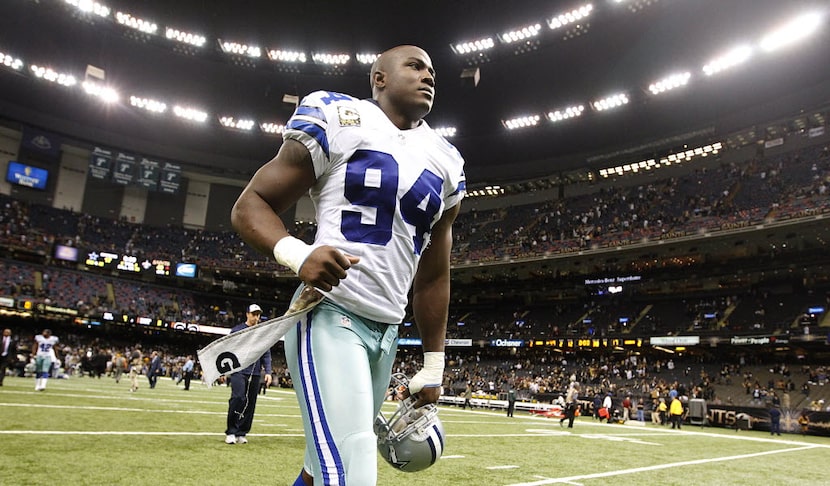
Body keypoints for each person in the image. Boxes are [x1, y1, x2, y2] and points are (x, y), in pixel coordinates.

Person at [231, 44, 465, 485]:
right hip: (330, 314)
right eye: (414, 66)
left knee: (320, 470)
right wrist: (298, 254)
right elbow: (250, 206)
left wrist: (433, 364)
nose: (427, 75)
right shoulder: (338, 117)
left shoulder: (446, 160)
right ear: (379, 78)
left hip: (386, 333)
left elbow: (434, 274)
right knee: (352, 472)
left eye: (432, 70)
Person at [225, 304, 273, 445]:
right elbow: (227, 349)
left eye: (258, 314)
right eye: (253, 314)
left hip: (255, 372)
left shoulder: (262, 333)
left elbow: (266, 353)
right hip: (238, 370)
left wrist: (268, 372)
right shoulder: (237, 330)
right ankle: (231, 431)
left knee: (250, 403)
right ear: (247, 314)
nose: (256, 317)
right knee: (238, 398)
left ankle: (242, 432)